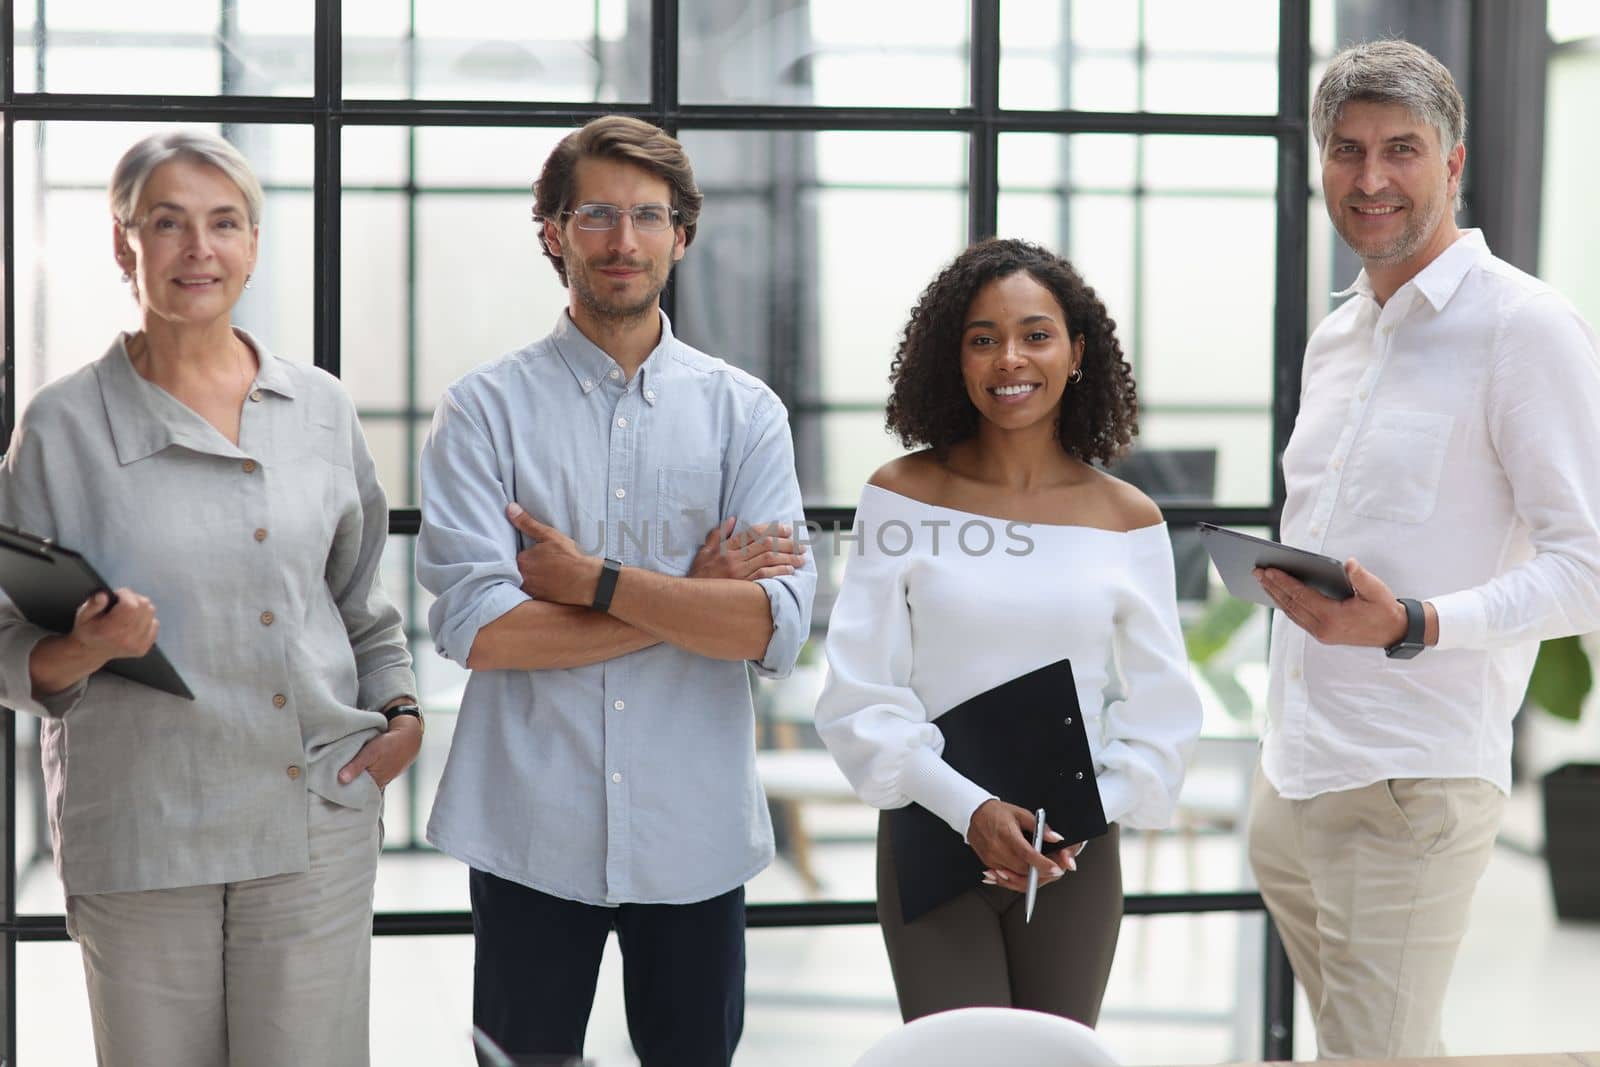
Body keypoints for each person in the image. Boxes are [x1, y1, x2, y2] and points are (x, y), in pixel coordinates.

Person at [0, 131, 420, 1066]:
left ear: (253, 243)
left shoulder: (320, 409)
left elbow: (361, 606)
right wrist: (85, 648)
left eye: (224, 222)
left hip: (313, 815)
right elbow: (5, 634)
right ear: (124, 246)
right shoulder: (61, 424)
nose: (200, 248)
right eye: (169, 223)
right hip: (143, 829)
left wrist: (401, 712)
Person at [416, 115, 816, 1067]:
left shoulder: (746, 415)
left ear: (683, 233)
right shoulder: (483, 410)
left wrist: (591, 583)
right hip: (528, 828)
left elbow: (771, 627)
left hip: (694, 835)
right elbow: (483, 630)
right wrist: (686, 597)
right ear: (553, 231)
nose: (623, 241)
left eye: (648, 216)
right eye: (596, 214)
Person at [1247, 39, 1600, 1059]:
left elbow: (1588, 566)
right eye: (1345, 150)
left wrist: (1415, 622)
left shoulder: (1523, 328)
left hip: (1411, 786)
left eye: (1399, 149)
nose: (1369, 179)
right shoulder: (1338, 335)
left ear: (1450, 164)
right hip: (1296, 772)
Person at [812, 237, 1202, 1024]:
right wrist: (971, 811)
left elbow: (1164, 716)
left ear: (1077, 350)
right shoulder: (902, 496)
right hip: (933, 834)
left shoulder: (1128, 519)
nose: (1009, 359)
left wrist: (1081, 823)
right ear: (953, 360)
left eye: (1035, 334)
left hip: (1074, 858)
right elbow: (859, 696)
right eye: (982, 339)